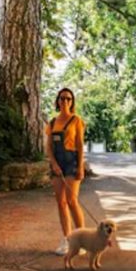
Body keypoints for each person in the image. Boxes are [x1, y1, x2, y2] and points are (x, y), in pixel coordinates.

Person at [45, 87, 85, 255]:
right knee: (60, 203)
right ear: (57, 101)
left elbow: (80, 145)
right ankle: (67, 239)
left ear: (72, 102)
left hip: (71, 162)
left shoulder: (76, 120)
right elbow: (48, 147)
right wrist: (53, 163)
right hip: (57, 163)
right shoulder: (53, 123)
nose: (65, 101)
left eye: (68, 99)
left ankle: (82, 239)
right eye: (62, 98)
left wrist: (80, 166)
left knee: (71, 201)